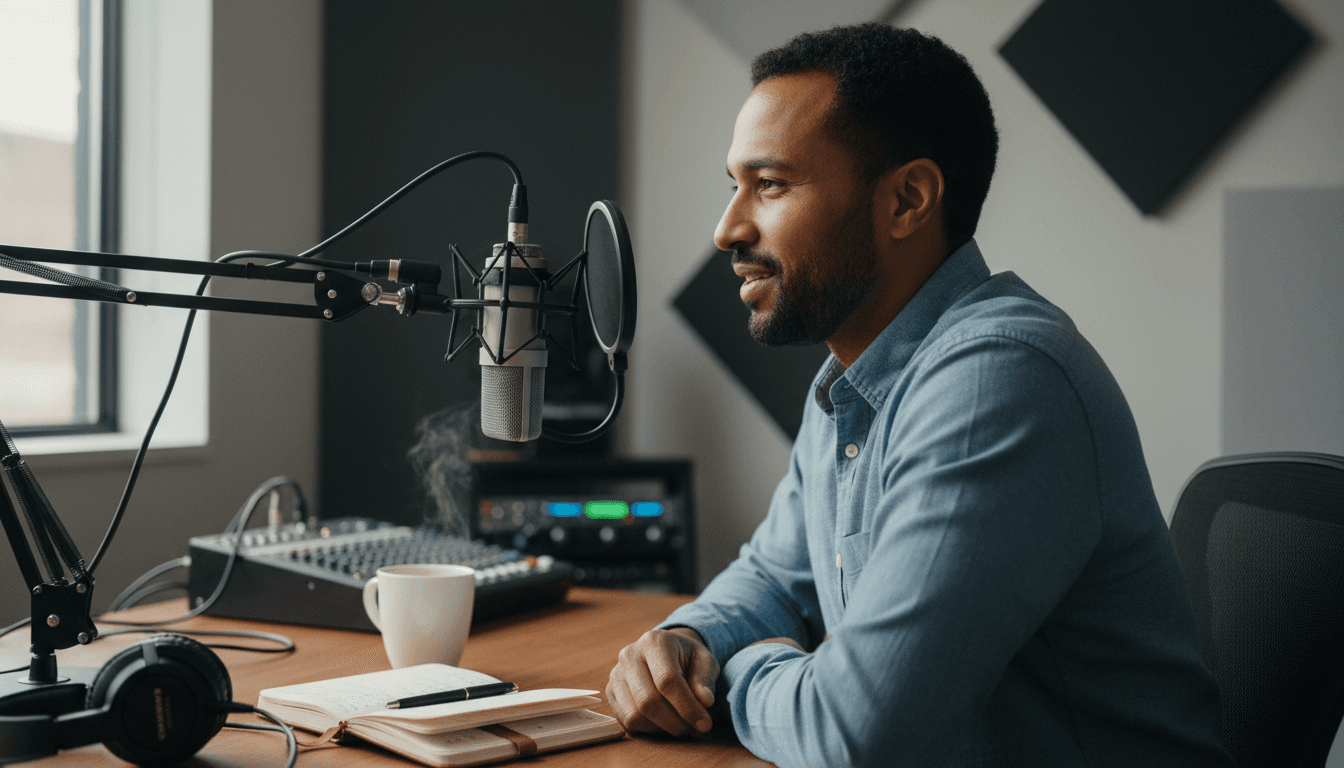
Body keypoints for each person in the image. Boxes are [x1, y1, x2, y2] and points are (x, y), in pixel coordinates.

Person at [606, 23, 1232, 768]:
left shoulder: (997, 382)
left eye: (769, 185)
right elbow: (779, 576)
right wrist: (691, 641)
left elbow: (856, 733)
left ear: (907, 200)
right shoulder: (853, 380)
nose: (726, 229)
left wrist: (743, 671)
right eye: (734, 186)